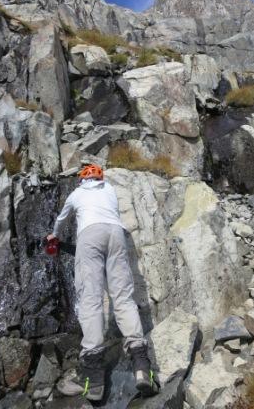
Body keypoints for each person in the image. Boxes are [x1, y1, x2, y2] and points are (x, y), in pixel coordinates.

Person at [47, 164, 158, 401]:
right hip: (115, 235)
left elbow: (61, 220)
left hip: (89, 236)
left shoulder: (77, 194)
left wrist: (54, 236)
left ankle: (94, 379)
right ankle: (141, 367)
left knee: (91, 300)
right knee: (122, 298)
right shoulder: (109, 189)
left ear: (82, 180)